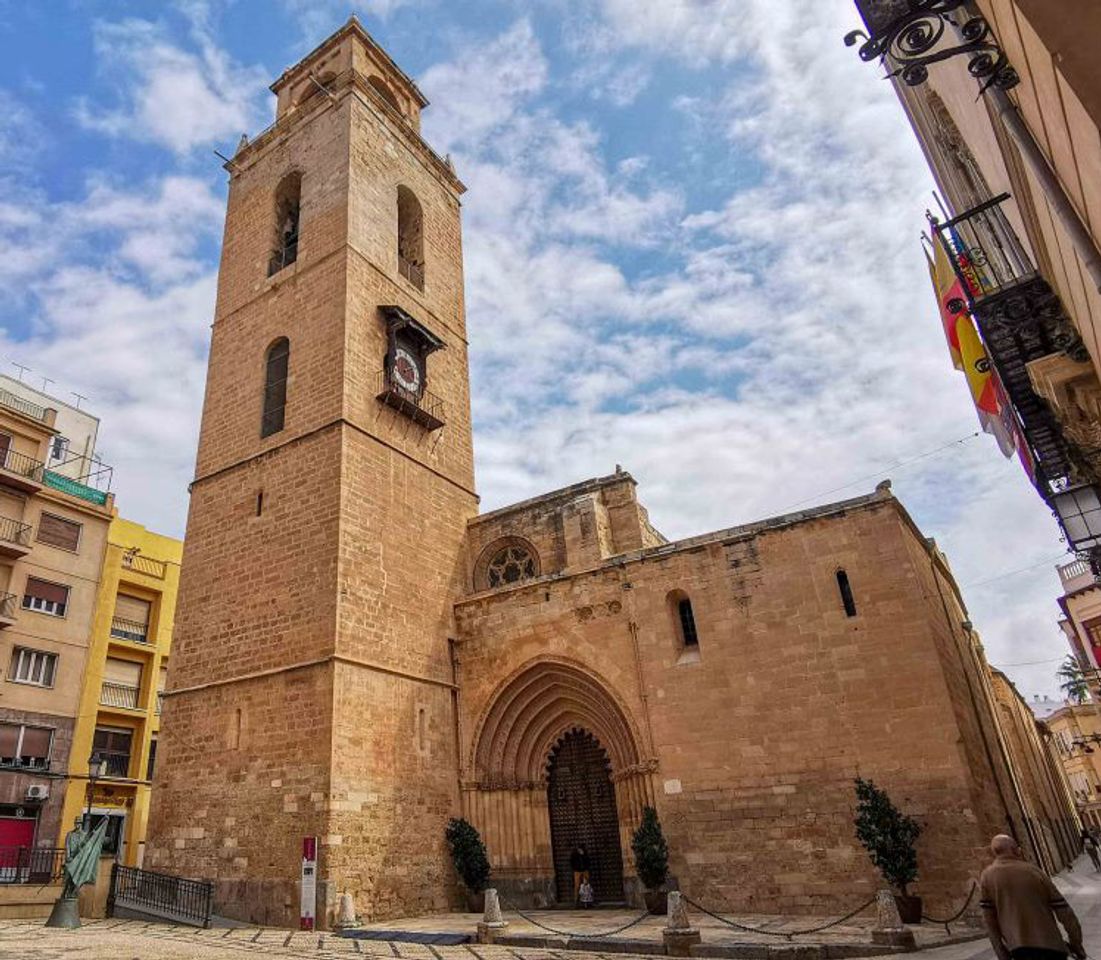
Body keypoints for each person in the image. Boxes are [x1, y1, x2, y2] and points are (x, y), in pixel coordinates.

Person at [979, 834, 1085, 960]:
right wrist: (1076, 944)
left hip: (1019, 950)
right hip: (1051, 946)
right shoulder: (1034, 872)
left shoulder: (987, 877)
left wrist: (1001, 952)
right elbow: (1064, 912)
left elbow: (989, 921)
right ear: (1014, 849)